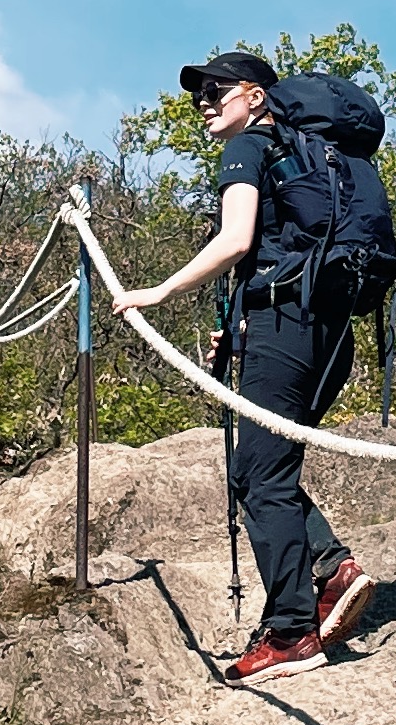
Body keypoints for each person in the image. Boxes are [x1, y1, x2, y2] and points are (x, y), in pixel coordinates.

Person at [110, 49, 377, 683]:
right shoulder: (315, 156)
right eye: (199, 92)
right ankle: (330, 571)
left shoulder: (249, 150)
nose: (204, 101)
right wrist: (237, 331)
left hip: (285, 324)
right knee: (267, 468)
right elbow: (286, 249)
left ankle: (292, 632)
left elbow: (236, 241)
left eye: (218, 90)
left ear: (255, 96)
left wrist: (156, 293)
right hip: (329, 328)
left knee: (258, 477)